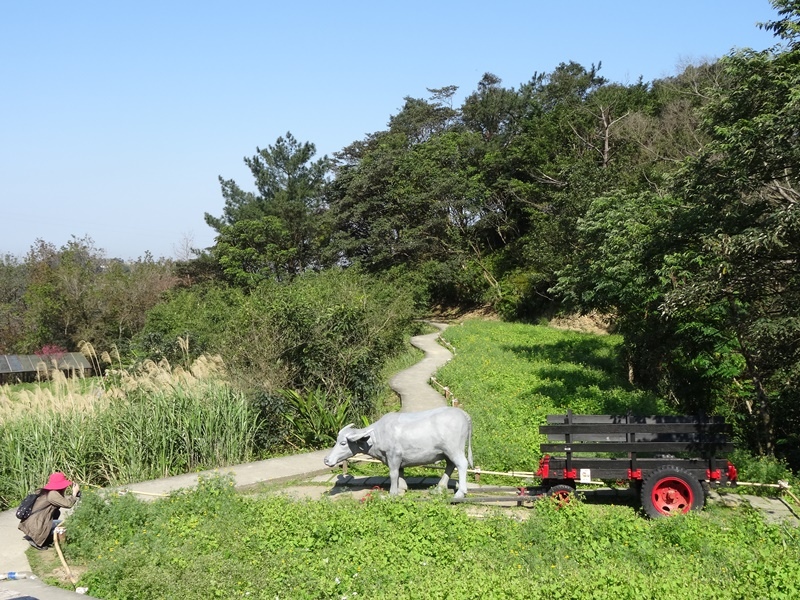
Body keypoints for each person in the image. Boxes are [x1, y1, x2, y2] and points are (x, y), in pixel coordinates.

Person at [18, 471, 81, 549]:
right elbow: (68, 504)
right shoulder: (52, 494)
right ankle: (40, 539)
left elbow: (60, 502)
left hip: (31, 524)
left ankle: (37, 536)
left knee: (57, 512)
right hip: (37, 525)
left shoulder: (47, 492)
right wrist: (74, 494)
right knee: (64, 526)